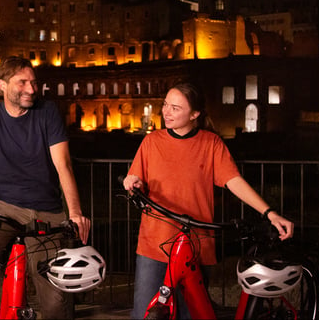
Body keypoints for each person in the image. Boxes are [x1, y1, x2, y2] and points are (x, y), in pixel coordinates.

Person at [123, 81, 294, 319]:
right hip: (154, 243)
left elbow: (234, 181)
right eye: (165, 105)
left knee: (191, 314)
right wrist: (133, 184)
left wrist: (270, 213)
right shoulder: (152, 142)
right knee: (145, 313)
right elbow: (136, 182)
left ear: (194, 114)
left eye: (175, 108)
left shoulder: (210, 143)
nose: (166, 112)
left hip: (195, 244)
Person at [0, 56, 91, 319]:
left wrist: (74, 212)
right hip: (2, 209)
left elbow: (63, 166)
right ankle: (19, 308)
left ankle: (29, 308)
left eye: (34, 82)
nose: (31, 89)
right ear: (2, 85)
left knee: (56, 307)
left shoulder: (47, 112)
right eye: (22, 83)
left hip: (47, 211)